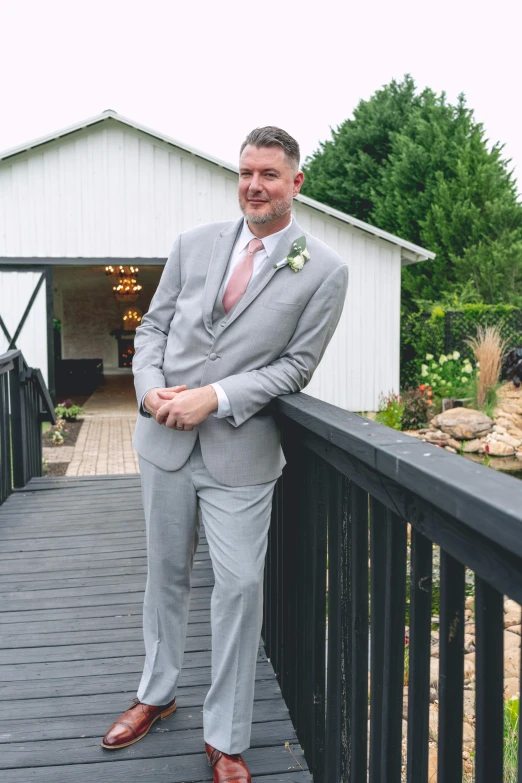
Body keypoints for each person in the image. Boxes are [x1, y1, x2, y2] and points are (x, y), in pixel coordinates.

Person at [101, 126, 349, 782]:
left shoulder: (325, 269)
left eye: (269, 173)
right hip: (163, 445)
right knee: (165, 576)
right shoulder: (193, 244)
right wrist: (151, 390)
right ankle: (156, 692)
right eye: (245, 172)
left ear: (296, 182)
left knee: (238, 586)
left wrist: (215, 395)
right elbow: (152, 327)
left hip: (241, 452)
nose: (254, 185)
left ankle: (227, 737)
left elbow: (297, 367)